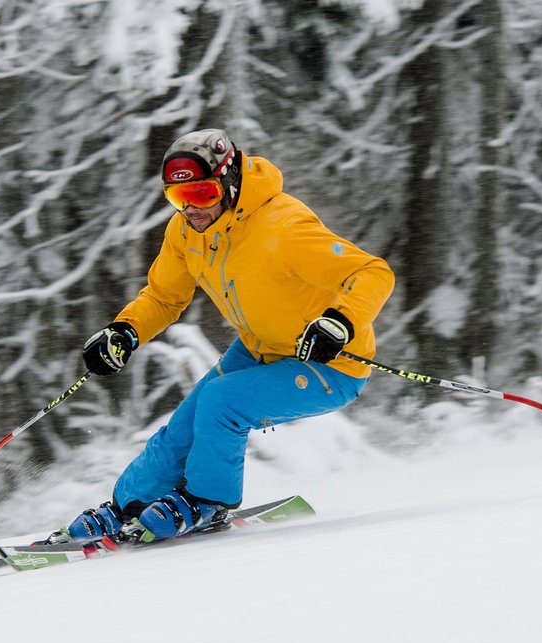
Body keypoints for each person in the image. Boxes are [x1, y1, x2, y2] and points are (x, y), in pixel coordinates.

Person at [58, 128, 395, 544]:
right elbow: (164, 297)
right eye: (179, 199)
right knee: (185, 424)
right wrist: (124, 331)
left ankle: (207, 501)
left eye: (202, 195)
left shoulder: (283, 226)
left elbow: (373, 272)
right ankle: (129, 504)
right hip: (260, 348)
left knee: (222, 402)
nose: (192, 210)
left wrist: (339, 322)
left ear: (229, 181)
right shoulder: (186, 233)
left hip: (330, 362)